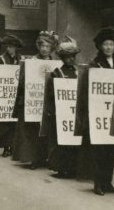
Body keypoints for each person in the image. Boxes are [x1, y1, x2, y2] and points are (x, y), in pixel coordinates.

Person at [75, 27, 114, 195]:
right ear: (100, 47)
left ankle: (108, 182)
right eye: (105, 44)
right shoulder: (94, 65)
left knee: (111, 150)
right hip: (98, 113)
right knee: (99, 150)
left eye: (111, 44)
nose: (109, 47)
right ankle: (98, 183)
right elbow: (86, 90)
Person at [13, 31, 58, 169]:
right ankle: (33, 158)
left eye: (48, 46)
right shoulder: (31, 62)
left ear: (51, 48)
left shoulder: (55, 63)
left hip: (47, 103)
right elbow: (21, 82)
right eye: (42, 46)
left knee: (46, 131)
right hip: (32, 101)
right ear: (38, 46)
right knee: (32, 131)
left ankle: (45, 158)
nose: (44, 49)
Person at [42, 36, 80, 178]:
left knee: (74, 141)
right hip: (60, 113)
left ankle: (74, 167)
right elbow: (51, 95)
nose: (71, 59)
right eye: (68, 56)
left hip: (74, 112)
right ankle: (61, 168)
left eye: (73, 56)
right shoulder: (57, 73)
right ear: (63, 58)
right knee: (60, 142)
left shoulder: (78, 72)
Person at [0, 35, 24, 157]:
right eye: (8, 47)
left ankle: (13, 146)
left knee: (15, 122)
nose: (10, 49)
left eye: (12, 47)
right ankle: (6, 147)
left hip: (16, 94)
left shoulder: (21, 60)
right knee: (5, 123)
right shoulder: (1, 59)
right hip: (4, 94)